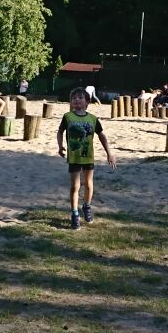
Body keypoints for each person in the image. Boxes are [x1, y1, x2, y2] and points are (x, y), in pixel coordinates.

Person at [57, 86, 116, 230]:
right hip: (74, 157)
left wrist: (109, 153)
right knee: (75, 186)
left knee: (88, 184)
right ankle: (75, 214)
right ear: (71, 102)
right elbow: (60, 132)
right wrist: (60, 146)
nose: (76, 100)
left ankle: (87, 206)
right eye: (73, 98)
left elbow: (102, 136)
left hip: (88, 157)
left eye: (80, 98)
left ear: (87, 102)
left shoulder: (93, 119)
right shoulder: (67, 117)